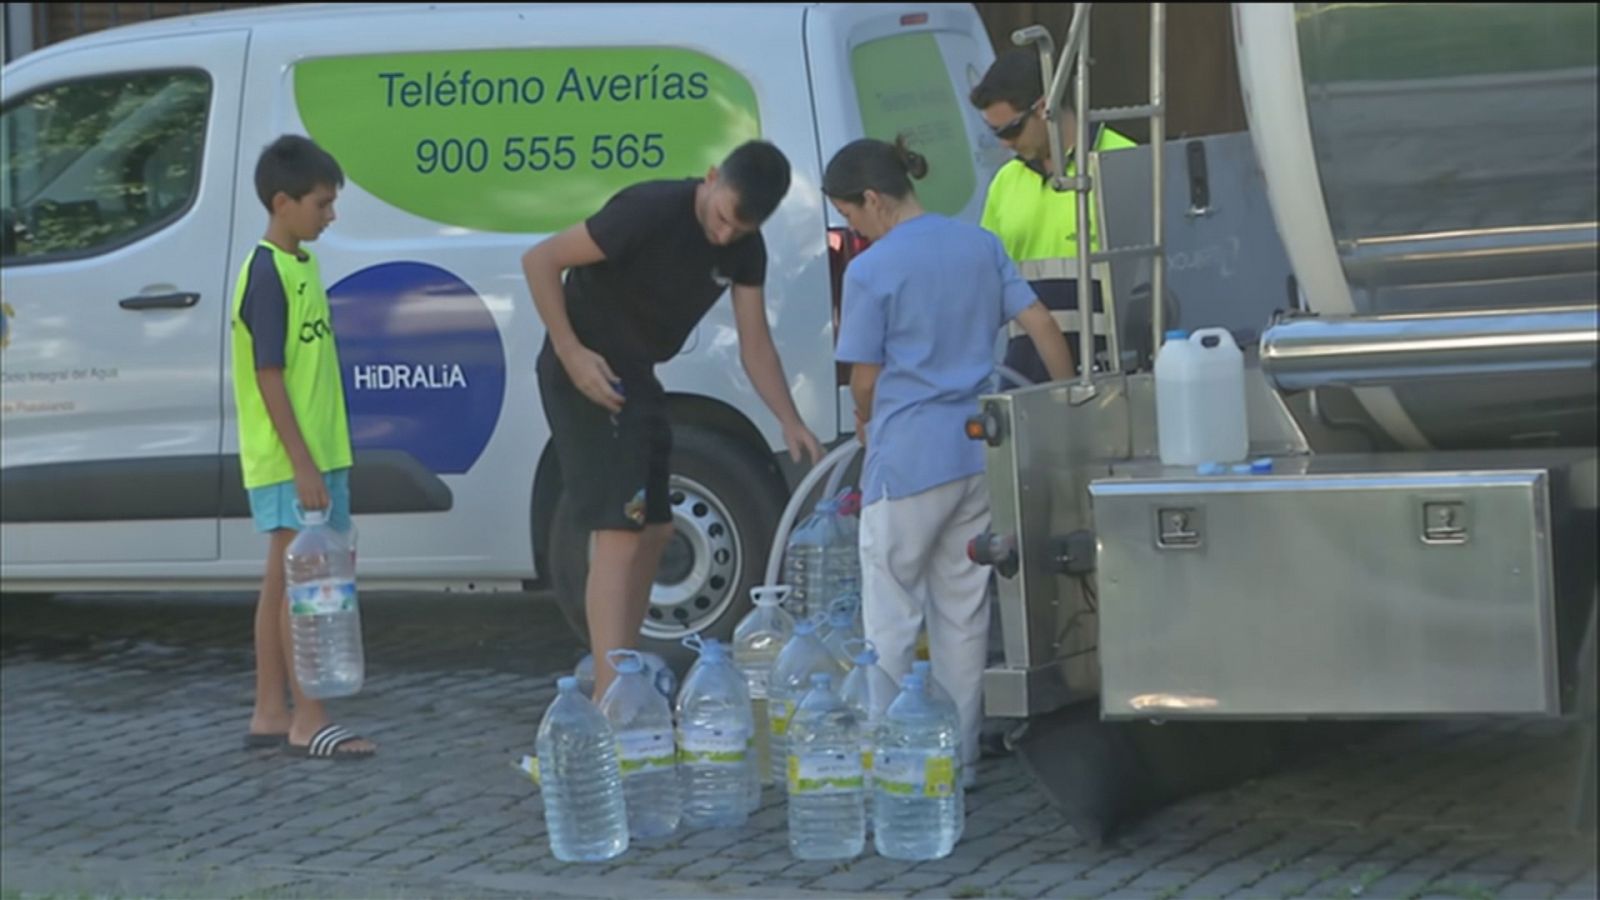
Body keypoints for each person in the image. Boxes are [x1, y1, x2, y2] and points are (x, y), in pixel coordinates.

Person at [522, 140, 824, 702]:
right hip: (584, 371)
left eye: (741, 229)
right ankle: (612, 699)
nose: (725, 236)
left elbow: (755, 345)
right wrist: (570, 351)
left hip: (635, 377)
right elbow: (541, 260)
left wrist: (790, 419)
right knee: (618, 530)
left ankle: (622, 667)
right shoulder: (648, 210)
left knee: (655, 529)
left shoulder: (744, 248)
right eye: (722, 218)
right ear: (710, 179)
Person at [824, 136, 1073, 782]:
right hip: (976, 454)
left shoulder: (870, 270)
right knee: (963, 615)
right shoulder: (978, 244)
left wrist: (863, 421)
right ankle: (958, 759)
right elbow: (1043, 326)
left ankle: (894, 761)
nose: (854, 231)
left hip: (906, 461)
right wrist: (1066, 405)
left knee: (891, 619)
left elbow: (864, 380)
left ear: (873, 200)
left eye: (851, 217)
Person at [233, 135, 374, 760]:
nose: (331, 215)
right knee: (307, 590)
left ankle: (270, 710)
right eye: (322, 204)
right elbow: (268, 376)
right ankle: (308, 719)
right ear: (283, 202)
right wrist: (304, 463)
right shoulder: (266, 272)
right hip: (296, 462)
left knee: (280, 584)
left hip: (311, 456)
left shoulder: (301, 265)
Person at [970, 49, 1137, 386]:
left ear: (1044, 107)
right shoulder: (1005, 183)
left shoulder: (1124, 162)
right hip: (1026, 376)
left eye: (1011, 130)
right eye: (995, 133)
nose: (1005, 144)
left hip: (1114, 373)